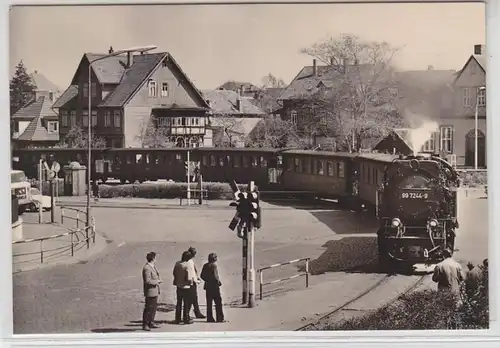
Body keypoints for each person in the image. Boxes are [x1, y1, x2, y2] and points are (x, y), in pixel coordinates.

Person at [173, 251, 196, 324]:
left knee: (179, 303)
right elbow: (188, 278)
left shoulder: (177, 263)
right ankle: (186, 319)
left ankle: (177, 319)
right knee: (186, 303)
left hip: (179, 285)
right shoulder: (187, 265)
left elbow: (174, 273)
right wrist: (194, 280)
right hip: (186, 286)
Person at [200, 253, 225, 323]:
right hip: (214, 287)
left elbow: (202, 275)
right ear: (214, 259)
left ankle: (210, 318)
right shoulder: (214, 266)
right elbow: (215, 276)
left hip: (208, 286)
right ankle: (219, 318)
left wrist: (207, 280)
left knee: (209, 303)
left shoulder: (205, 265)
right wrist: (218, 282)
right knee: (218, 302)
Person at [142, 252, 162, 331]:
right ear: (153, 258)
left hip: (154, 291)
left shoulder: (152, 267)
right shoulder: (147, 268)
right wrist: (157, 281)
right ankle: (145, 324)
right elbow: (147, 281)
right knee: (148, 308)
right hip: (150, 291)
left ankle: (151, 322)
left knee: (153, 308)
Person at [187, 246, 206, 319]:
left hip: (193, 282)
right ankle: (188, 314)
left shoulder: (190, 261)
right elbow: (190, 273)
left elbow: (193, 272)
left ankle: (197, 312)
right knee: (191, 298)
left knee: (194, 298)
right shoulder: (189, 262)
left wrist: (197, 277)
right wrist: (196, 280)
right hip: (191, 282)